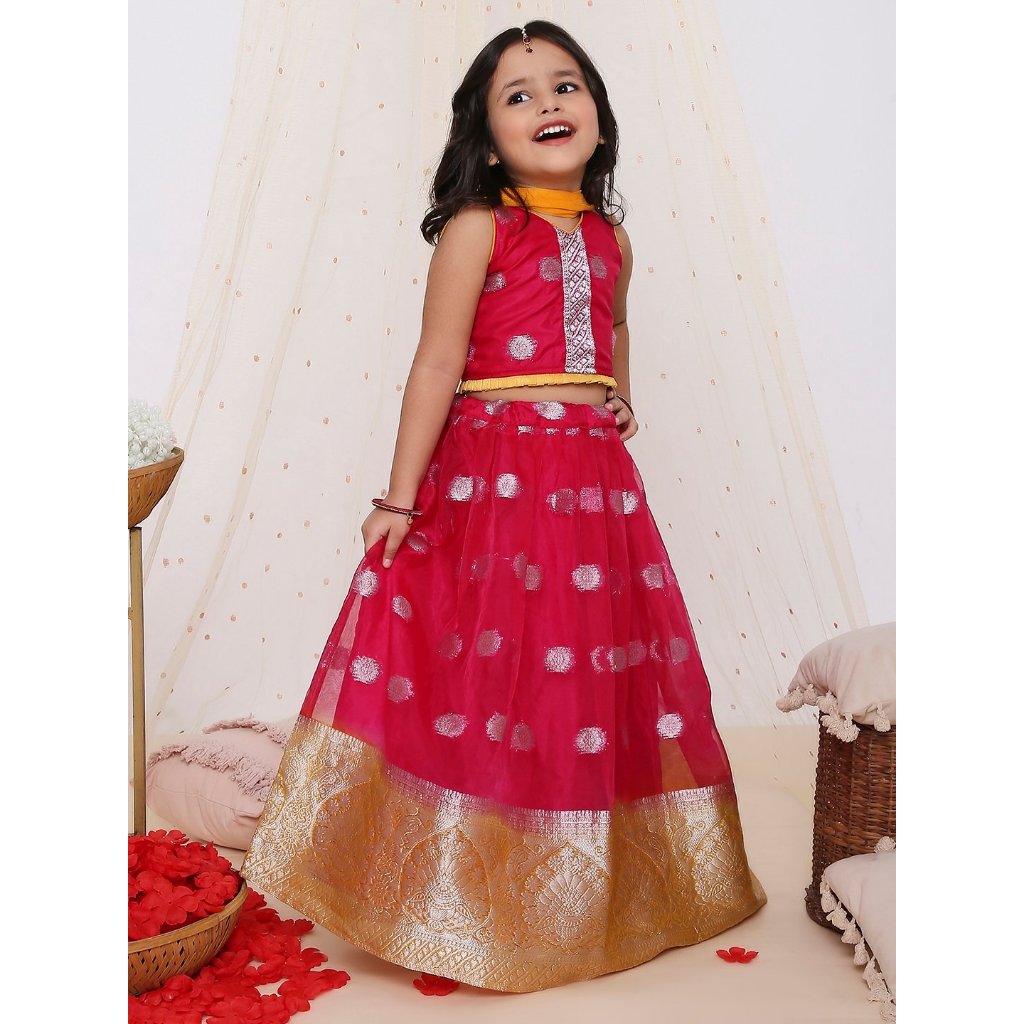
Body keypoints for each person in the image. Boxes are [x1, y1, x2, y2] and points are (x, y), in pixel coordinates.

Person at [242, 20, 766, 993]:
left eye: (566, 86)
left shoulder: (612, 238)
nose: (547, 104)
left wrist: (615, 393)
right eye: (517, 96)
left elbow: (610, 328)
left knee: (589, 667)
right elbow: (437, 361)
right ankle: (459, 890)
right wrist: (398, 499)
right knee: (496, 670)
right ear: (485, 142)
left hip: (592, 486)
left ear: (599, 116)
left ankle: (581, 887)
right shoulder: (480, 226)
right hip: (495, 480)